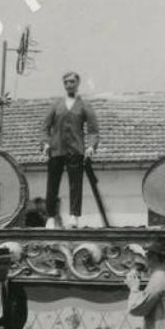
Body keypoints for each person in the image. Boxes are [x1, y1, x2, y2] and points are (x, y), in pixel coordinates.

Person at [40, 71, 100, 228]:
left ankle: (74, 216)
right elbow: (45, 128)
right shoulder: (56, 105)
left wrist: (91, 146)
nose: (69, 85)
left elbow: (93, 130)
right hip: (56, 150)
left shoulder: (84, 105)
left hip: (75, 150)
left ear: (78, 83)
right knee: (52, 184)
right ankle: (51, 217)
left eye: (72, 82)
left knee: (76, 184)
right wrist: (45, 144)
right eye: (66, 82)